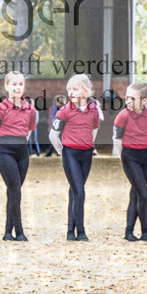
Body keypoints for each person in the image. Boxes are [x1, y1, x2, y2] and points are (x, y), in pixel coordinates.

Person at [48, 74, 102, 242]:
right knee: (79, 191)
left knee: (75, 190)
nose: (70, 92)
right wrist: (62, 151)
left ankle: (70, 231)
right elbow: (53, 135)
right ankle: (81, 231)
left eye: (75, 89)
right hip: (70, 154)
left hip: (86, 154)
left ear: (85, 91)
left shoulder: (93, 110)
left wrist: (89, 144)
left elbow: (94, 130)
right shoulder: (64, 111)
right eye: (69, 89)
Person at [0, 71, 37, 242]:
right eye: (14, 84)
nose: (17, 88)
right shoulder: (0, 109)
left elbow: (29, 131)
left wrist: (22, 144)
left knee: (13, 191)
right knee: (16, 190)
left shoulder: (30, 109)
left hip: (22, 151)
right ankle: (19, 231)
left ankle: (8, 231)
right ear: (6, 86)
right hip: (5, 150)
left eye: (20, 84)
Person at [113, 82, 147, 242]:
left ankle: (129, 231)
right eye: (127, 98)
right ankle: (146, 231)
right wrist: (124, 156)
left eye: (133, 98)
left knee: (136, 194)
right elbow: (117, 139)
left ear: (144, 100)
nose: (128, 102)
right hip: (129, 156)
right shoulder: (123, 116)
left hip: (145, 156)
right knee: (143, 194)